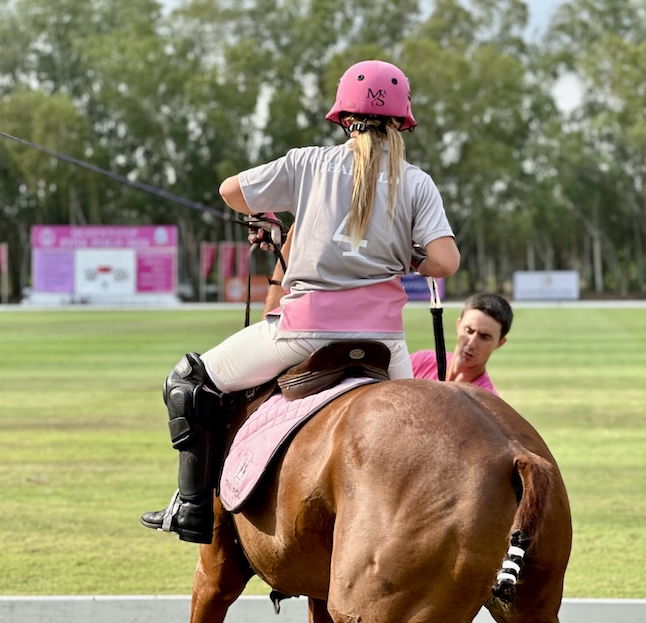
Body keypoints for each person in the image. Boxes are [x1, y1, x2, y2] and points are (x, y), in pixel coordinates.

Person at [140, 60, 460, 544]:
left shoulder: (308, 163)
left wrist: (269, 215)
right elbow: (445, 260)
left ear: (342, 116)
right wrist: (404, 255)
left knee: (188, 382)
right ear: (401, 120)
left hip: (303, 331)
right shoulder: (417, 182)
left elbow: (230, 191)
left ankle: (192, 507)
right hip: (384, 341)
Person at [335, 292, 513, 623]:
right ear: (457, 325)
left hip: (435, 526)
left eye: (484, 336)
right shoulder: (419, 363)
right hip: (384, 512)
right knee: (359, 617)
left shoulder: (487, 401)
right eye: (468, 330)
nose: (471, 342)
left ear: (500, 343)